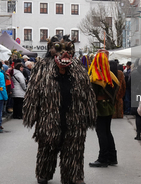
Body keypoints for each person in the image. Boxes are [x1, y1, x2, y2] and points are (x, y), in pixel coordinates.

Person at [23, 34, 97, 184]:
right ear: (51, 49)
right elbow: (32, 93)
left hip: (75, 119)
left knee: (74, 149)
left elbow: (88, 93)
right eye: (58, 48)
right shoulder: (42, 67)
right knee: (47, 148)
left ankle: (74, 176)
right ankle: (44, 172)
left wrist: (90, 114)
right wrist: (32, 114)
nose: (65, 53)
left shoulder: (79, 69)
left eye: (69, 49)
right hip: (49, 118)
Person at [89, 50, 119, 168]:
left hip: (100, 107)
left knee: (101, 132)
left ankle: (103, 159)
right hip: (109, 107)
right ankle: (112, 157)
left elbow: (91, 95)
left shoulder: (95, 76)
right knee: (107, 131)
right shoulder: (110, 75)